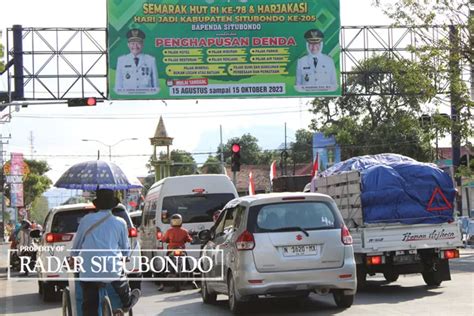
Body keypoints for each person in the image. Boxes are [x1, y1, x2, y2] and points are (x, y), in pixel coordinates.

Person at [70, 189, 141, 315]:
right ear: (113, 206)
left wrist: (73, 257)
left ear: (97, 205)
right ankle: (127, 303)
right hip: (111, 270)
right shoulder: (120, 223)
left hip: (89, 271)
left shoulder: (86, 220)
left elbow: (77, 244)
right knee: (119, 277)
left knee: (89, 305)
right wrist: (125, 257)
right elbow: (125, 249)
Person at [114, 28, 159, 95]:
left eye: (138, 43)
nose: (135, 46)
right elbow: (118, 82)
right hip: (127, 97)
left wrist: (155, 95)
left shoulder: (151, 60)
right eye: (132, 43)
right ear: (128, 45)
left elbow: (155, 82)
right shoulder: (121, 60)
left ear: (142, 44)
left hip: (146, 96)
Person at [158, 214, 193, 291]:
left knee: (165, 266)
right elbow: (189, 239)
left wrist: (162, 240)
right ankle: (193, 281)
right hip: (181, 250)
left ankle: (162, 284)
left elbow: (164, 239)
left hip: (171, 250)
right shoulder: (184, 231)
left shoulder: (169, 231)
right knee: (188, 265)